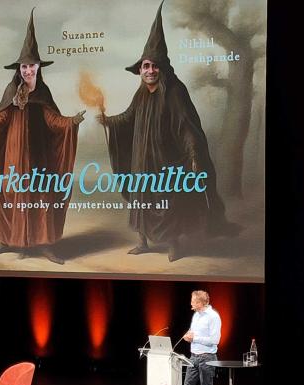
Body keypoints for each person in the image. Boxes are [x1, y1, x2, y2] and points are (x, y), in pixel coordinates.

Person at [98, 2, 239, 262]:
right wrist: (109, 121)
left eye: (155, 66)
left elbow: (187, 126)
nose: (150, 71)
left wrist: (194, 155)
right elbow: (129, 116)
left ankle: (174, 244)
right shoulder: (141, 93)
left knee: (168, 201)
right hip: (142, 161)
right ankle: (143, 242)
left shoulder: (175, 91)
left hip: (165, 160)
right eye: (146, 66)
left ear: (162, 68)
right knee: (142, 199)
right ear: (140, 70)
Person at [0, 9, 85, 265]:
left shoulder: (43, 91)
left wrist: (71, 122)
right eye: (24, 66)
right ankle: (9, 240)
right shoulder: (12, 89)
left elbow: (53, 119)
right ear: (19, 69)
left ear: (38, 67)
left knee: (40, 197)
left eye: (31, 66)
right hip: (13, 154)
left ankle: (44, 244)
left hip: (39, 156)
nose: (28, 70)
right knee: (11, 194)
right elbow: (2, 118)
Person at [181, 290, 221, 385]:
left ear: (200, 302)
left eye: (193, 301)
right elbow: (193, 333)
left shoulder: (213, 316)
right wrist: (188, 336)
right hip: (193, 357)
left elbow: (215, 340)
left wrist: (195, 338)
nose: (191, 303)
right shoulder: (196, 315)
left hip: (207, 358)